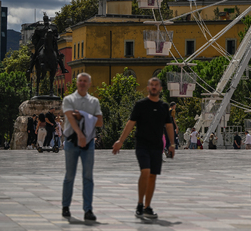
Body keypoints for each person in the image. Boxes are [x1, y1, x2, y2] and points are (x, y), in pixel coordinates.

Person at [112, 77, 175, 220]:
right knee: (145, 171)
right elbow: (130, 123)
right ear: (148, 88)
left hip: (157, 146)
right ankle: (140, 204)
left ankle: (147, 206)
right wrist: (121, 141)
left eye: (156, 85)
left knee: (153, 175)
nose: (154, 87)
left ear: (160, 88)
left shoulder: (164, 107)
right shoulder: (140, 105)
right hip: (142, 144)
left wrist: (172, 144)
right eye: (151, 85)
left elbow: (169, 126)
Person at [61, 73, 103, 221]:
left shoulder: (94, 101)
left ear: (89, 83)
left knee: (88, 177)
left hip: (89, 143)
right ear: (76, 83)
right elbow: (70, 117)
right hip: (72, 141)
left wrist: (84, 115)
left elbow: (99, 122)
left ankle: (88, 209)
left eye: (85, 81)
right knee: (69, 176)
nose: (82, 83)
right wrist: (80, 134)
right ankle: (65, 206)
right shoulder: (69, 99)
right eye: (80, 81)